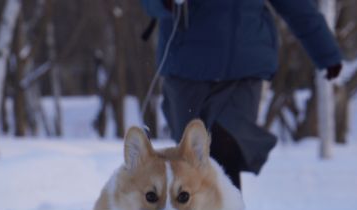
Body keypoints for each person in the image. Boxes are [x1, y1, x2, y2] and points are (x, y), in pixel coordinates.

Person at [140, 0, 343, 189]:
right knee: (191, 157)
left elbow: (296, 7)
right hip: (186, 68)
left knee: (227, 145)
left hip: (244, 68)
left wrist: (326, 51)